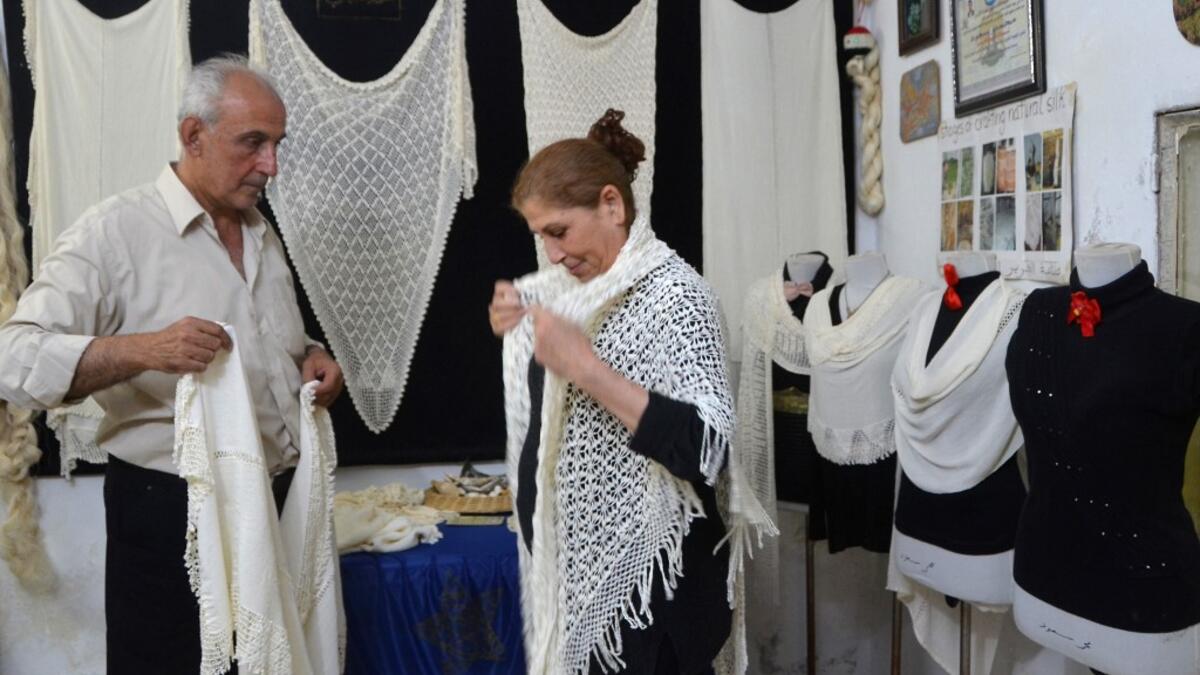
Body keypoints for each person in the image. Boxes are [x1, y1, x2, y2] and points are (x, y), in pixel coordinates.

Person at [0, 55, 343, 673]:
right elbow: (14, 356)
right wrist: (144, 349)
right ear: (193, 136)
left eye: (276, 145)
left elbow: (263, 336)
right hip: (169, 513)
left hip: (276, 507)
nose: (271, 165)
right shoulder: (114, 233)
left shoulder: (261, 230)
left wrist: (311, 354)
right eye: (253, 144)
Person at [490, 110, 760, 675]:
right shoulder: (568, 295)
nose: (554, 256)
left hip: (657, 601)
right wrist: (521, 331)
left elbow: (707, 449)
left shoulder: (678, 298)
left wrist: (587, 369)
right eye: (541, 238)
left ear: (611, 205)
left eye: (559, 232)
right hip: (578, 578)